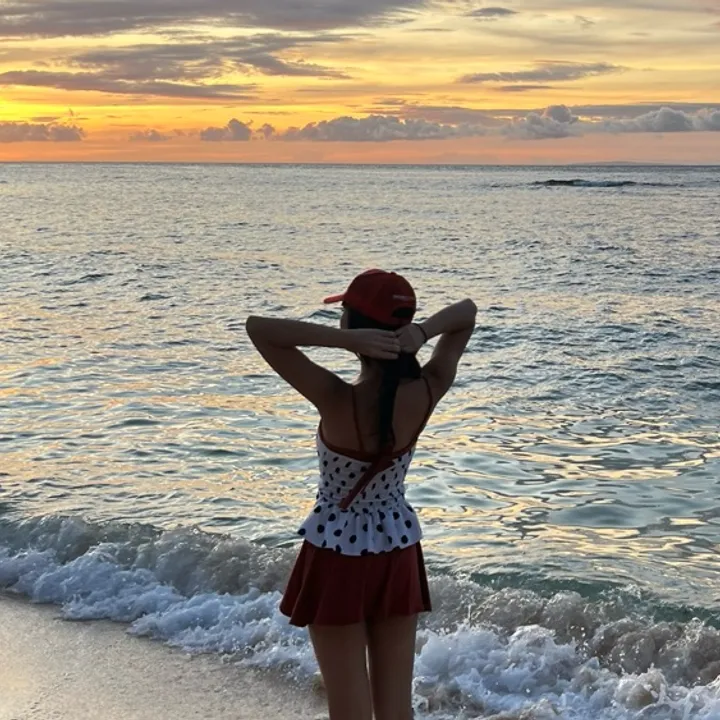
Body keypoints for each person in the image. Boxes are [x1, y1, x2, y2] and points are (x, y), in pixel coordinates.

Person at [246, 269, 476, 720]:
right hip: (397, 547)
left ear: (354, 325)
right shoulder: (429, 388)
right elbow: (466, 314)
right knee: (395, 709)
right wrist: (422, 332)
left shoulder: (336, 397)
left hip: (336, 553)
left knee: (349, 708)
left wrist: (345, 342)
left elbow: (260, 329)